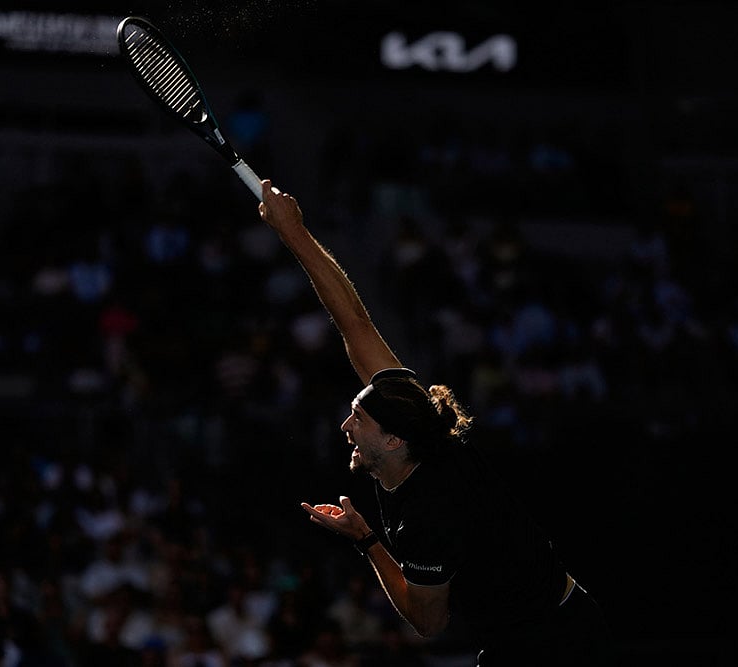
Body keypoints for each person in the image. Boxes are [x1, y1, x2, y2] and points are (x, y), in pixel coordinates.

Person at [257, 180, 612, 666]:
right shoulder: (416, 427)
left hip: (551, 645)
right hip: (547, 625)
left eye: (357, 420)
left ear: (393, 438)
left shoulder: (430, 516)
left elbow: (429, 623)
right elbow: (355, 323)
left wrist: (365, 540)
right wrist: (293, 232)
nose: (345, 427)